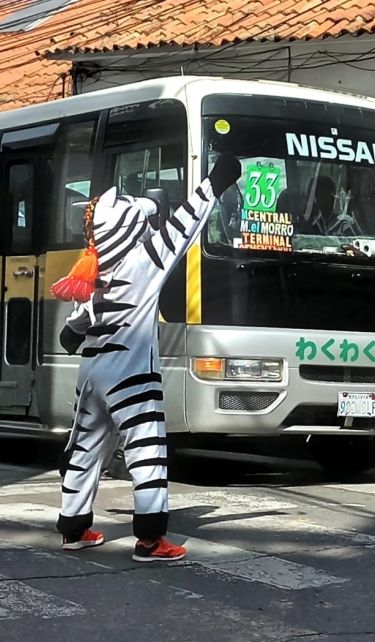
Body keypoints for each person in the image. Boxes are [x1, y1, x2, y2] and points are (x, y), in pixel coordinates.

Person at [51, 153, 241, 561]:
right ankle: (151, 539)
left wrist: (72, 334)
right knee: (147, 448)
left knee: (85, 449)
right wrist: (214, 183)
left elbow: (79, 321)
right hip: (130, 372)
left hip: (92, 371)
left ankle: (74, 528)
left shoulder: (95, 270)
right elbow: (184, 226)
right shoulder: (143, 261)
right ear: (127, 227)